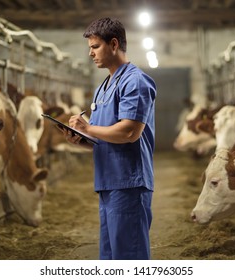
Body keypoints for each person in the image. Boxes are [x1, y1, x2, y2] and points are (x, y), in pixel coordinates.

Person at [61, 17, 157, 260]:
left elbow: (128, 132)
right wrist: (81, 139)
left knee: (128, 256)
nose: (91, 54)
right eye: (90, 48)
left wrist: (88, 128)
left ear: (113, 44)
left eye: (95, 47)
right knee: (110, 256)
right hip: (107, 182)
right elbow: (103, 137)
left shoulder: (134, 81)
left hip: (128, 182)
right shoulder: (103, 86)